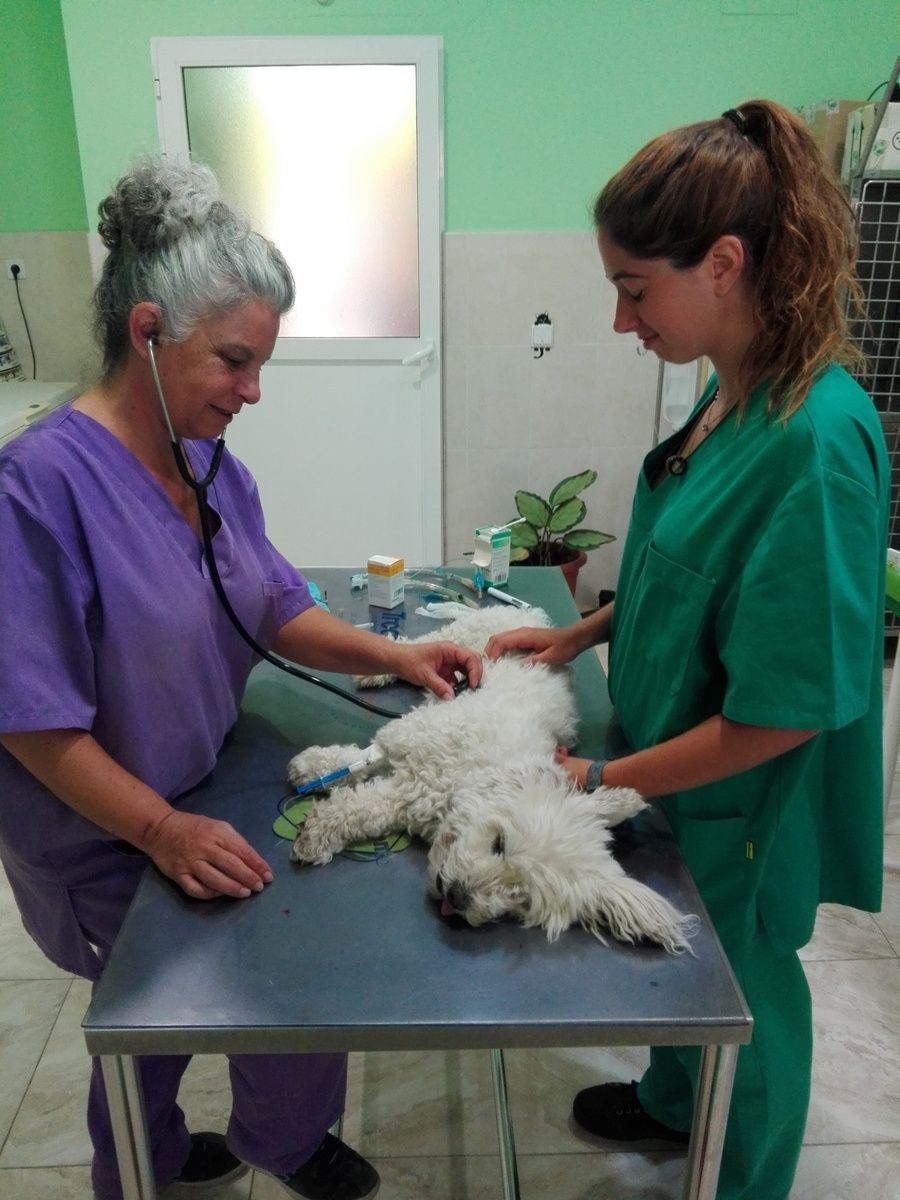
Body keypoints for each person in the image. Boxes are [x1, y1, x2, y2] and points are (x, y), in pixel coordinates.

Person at [0, 159, 482, 1200]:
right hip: (102, 833)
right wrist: (160, 830)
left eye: (261, 363)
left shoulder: (210, 462)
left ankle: (286, 1139)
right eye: (233, 360)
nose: (252, 391)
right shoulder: (36, 490)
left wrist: (394, 654)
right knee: (150, 1021)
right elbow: (31, 722)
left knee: (288, 965)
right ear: (146, 331)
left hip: (211, 782)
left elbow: (268, 602)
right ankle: (145, 1166)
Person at [485, 100, 887, 1199]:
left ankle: (748, 1179)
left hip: (743, 794)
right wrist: (580, 631)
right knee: (674, 947)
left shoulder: (814, 444)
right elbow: (686, 564)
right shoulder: (731, 389)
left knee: (742, 989)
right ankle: (673, 1100)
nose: (621, 320)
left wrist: (600, 779)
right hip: (668, 754)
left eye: (633, 289)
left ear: (721, 264)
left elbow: (785, 709)